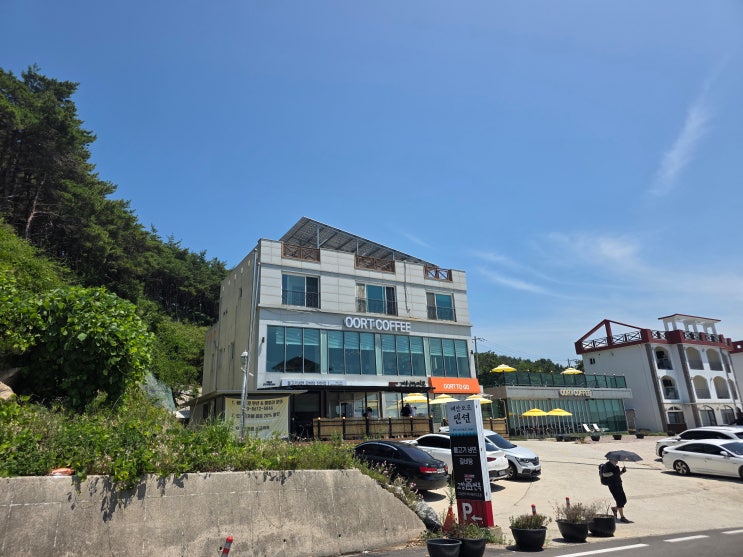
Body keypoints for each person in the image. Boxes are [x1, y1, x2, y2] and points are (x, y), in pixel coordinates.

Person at [602, 457, 629, 522]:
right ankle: (622, 517)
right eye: (616, 459)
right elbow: (604, 474)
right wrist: (612, 473)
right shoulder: (607, 465)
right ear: (611, 459)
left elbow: (617, 475)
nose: (617, 460)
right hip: (612, 485)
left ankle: (615, 509)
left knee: (624, 500)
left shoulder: (616, 467)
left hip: (619, 484)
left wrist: (622, 471)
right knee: (619, 501)